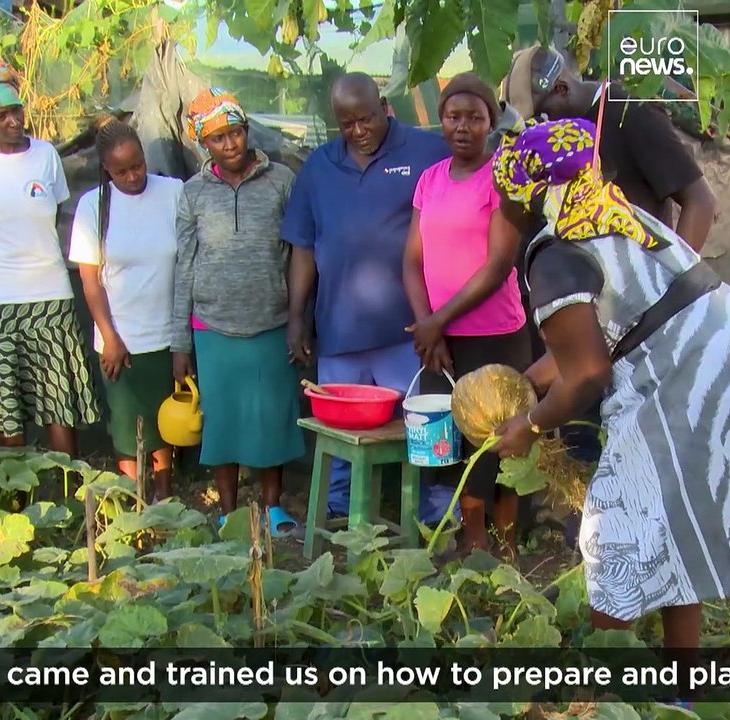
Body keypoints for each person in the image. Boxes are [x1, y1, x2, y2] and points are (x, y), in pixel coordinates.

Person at [490, 118, 730, 671]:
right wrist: (525, 384)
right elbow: (599, 338)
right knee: (671, 523)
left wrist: (532, 425)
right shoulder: (605, 213)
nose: (502, 208)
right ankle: (681, 685)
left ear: (531, 196)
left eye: (505, 195)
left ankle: (593, 687)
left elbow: (588, 372)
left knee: (614, 532)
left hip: (695, 372)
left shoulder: (556, 256)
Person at [282, 72, 455, 524]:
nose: (359, 131)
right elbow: (303, 246)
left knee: (420, 425)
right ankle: (341, 512)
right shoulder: (318, 168)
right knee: (340, 428)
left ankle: (432, 514)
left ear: (384, 107)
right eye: (347, 124)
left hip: (406, 328)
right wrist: (296, 318)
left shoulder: (426, 152)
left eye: (367, 119)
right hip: (339, 329)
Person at [0, 59, 99, 456]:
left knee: (59, 402)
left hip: (48, 294)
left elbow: (55, 218)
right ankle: (20, 498)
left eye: (17, 110)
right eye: (1, 115)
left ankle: (68, 487)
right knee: (6, 408)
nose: (14, 121)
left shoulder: (45, 156)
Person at [402, 73, 531, 560]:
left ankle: (504, 541)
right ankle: (471, 538)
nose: (463, 126)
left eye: (475, 118)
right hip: (441, 339)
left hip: (494, 336)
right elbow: (411, 260)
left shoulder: (504, 176)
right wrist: (427, 324)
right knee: (452, 441)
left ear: (490, 123)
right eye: (454, 116)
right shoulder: (429, 180)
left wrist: (439, 320)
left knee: (500, 439)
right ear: (441, 121)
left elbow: (498, 266)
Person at [171, 88, 304, 536]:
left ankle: (273, 507)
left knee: (272, 417)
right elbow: (183, 265)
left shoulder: (282, 181)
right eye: (217, 138)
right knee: (221, 422)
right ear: (202, 145)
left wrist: (300, 320)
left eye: (236, 133)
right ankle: (229, 511)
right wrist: (180, 343)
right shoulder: (192, 194)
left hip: (272, 322)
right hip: (212, 327)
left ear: (247, 131)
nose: (230, 144)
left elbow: (299, 253)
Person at [500, 45, 718, 250]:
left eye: (540, 117)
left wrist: (673, 281)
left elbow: (700, 201)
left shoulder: (630, 112)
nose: (538, 131)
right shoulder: (552, 146)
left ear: (561, 89)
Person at [69, 115, 180, 503]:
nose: (133, 176)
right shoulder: (93, 206)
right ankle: (134, 500)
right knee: (126, 424)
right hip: (120, 340)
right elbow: (91, 280)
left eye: (137, 165)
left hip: (166, 333)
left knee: (165, 421)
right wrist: (110, 336)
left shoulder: (173, 193)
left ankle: (165, 497)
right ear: (106, 169)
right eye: (121, 171)